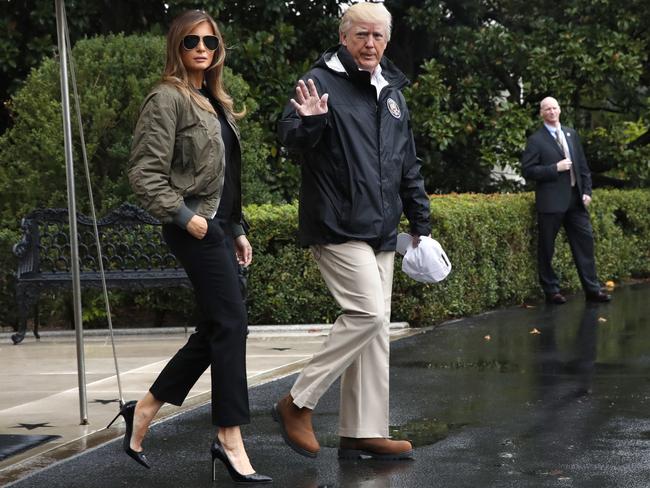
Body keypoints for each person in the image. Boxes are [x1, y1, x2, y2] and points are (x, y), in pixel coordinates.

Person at [109, 10, 271, 484]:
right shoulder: (166, 98)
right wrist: (189, 219)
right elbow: (144, 173)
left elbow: (227, 178)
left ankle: (143, 410)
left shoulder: (213, 100)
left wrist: (235, 227)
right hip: (193, 228)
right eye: (191, 42)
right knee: (232, 323)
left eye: (210, 42)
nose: (202, 48)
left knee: (217, 327)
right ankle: (229, 436)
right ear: (176, 47)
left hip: (217, 227)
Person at [273, 2, 431, 461]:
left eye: (378, 36)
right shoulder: (319, 81)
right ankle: (296, 403)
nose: (370, 44)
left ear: (387, 39)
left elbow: (407, 163)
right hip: (337, 224)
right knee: (367, 316)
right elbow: (289, 138)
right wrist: (310, 123)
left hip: (382, 229)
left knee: (375, 333)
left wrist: (419, 220)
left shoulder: (392, 93)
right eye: (361, 35)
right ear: (344, 37)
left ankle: (362, 431)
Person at [521, 96, 611, 305]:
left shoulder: (571, 134)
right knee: (547, 249)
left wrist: (587, 191)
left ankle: (592, 290)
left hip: (575, 201)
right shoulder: (536, 140)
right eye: (547, 109)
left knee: (585, 245)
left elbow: (582, 166)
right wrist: (555, 168)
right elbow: (528, 170)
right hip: (551, 203)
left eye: (554, 108)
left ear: (560, 110)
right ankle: (551, 291)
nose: (552, 112)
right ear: (542, 113)